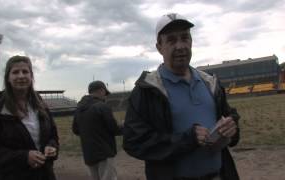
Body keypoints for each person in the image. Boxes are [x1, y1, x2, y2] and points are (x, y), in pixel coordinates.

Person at [123, 13, 240, 180]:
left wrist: (231, 129)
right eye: (171, 40)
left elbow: (228, 120)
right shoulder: (147, 90)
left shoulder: (210, 83)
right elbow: (134, 142)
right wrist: (187, 139)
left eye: (185, 38)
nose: (180, 46)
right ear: (159, 47)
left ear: (191, 42)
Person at [0, 55, 59, 180]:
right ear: (8, 78)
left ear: (31, 76)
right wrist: (24, 157)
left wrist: (52, 146)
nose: (21, 76)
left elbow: (53, 135)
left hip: (45, 175)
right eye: (15, 72)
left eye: (25, 71)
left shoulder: (41, 106)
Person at [72, 80, 122, 180]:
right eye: (105, 93)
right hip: (105, 152)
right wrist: (124, 126)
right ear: (101, 90)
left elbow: (75, 130)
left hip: (89, 154)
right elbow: (114, 129)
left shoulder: (79, 108)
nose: (105, 96)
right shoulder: (102, 106)